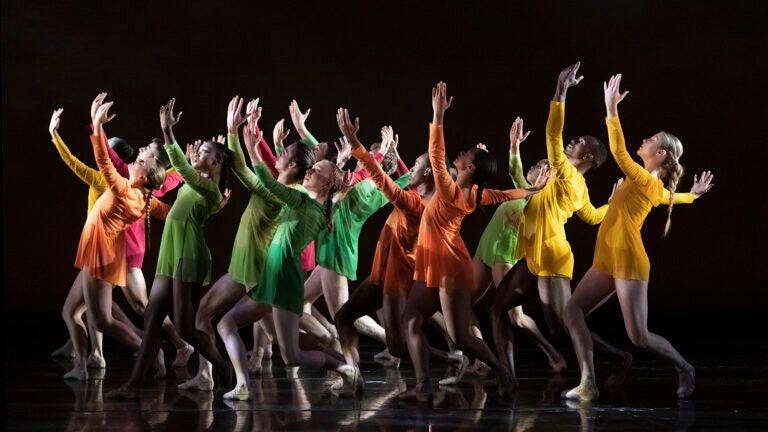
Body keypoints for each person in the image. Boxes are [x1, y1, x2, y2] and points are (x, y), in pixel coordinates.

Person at [561, 74, 713, 401]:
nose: (645, 139)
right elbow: (669, 198)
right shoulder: (649, 185)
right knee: (572, 311)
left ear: (661, 156)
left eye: (653, 139)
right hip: (606, 257)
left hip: (628, 259)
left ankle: (685, 367)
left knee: (639, 337)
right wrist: (693, 196)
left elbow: (617, 150)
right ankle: (588, 381)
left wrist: (610, 109)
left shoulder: (644, 179)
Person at [399, 82, 549, 402]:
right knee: (411, 320)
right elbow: (506, 193)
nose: (462, 152)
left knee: (460, 338)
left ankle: (503, 372)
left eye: (467, 154)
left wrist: (438, 114)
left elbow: (437, 153)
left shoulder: (452, 189)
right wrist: (533, 190)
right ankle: (425, 386)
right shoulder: (476, 193)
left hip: (447, 265)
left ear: (469, 167)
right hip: (441, 261)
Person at [499, 62, 631, 386]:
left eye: (581, 142)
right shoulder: (574, 184)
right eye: (576, 139)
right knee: (500, 307)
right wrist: (609, 207)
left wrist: (561, 89)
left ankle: (617, 357)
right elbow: (591, 216)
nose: (573, 141)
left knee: (562, 326)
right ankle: (505, 372)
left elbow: (553, 133)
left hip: (553, 258)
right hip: (536, 255)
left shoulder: (567, 172)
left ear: (587, 159)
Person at [216, 112, 360, 401]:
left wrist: (254, 149)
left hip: (283, 278)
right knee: (226, 324)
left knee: (292, 355)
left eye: (315, 170)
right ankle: (243, 385)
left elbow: (271, 184)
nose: (309, 171)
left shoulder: (307, 204)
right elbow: (317, 187)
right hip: (274, 273)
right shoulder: (314, 202)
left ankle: (346, 368)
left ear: (327, 183)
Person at [106, 98, 232, 399]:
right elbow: (183, 180)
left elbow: (189, 178)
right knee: (151, 316)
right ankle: (133, 386)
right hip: (171, 251)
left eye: (205, 152)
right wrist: (179, 154)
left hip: (189, 255)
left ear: (216, 164)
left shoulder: (210, 188)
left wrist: (168, 135)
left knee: (186, 327)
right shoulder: (200, 184)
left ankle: (223, 366)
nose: (199, 151)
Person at [334, 108, 467, 381]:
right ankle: (352, 373)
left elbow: (382, 178)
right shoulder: (419, 193)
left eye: (419, 167)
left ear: (429, 174)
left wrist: (359, 145)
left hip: (399, 276)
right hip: (381, 272)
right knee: (343, 317)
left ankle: (450, 360)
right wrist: (393, 152)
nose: (411, 171)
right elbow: (409, 177)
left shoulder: (420, 204)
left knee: (397, 346)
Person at [62, 94, 170, 380]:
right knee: (70, 310)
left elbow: (103, 159)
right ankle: (81, 367)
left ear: (144, 176)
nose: (136, 158)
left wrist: (96, 123)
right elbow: (169, 211)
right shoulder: (143, 197)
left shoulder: (125, 189)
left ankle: (152, 349)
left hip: (102, 255)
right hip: (96, 251)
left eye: (142, 160)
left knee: (102, 320)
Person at [469, 117, 566, 383]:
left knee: (515, 316)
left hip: (506, 255)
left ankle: (551, 351)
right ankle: (481, 358)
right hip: (486, 248)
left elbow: (518, 174)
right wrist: (513, 146)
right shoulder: (525, 189)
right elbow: (515, 171)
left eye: (537, 167)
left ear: (546, 176)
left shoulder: (540, 201)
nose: (532, 168)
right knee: (462, 302)